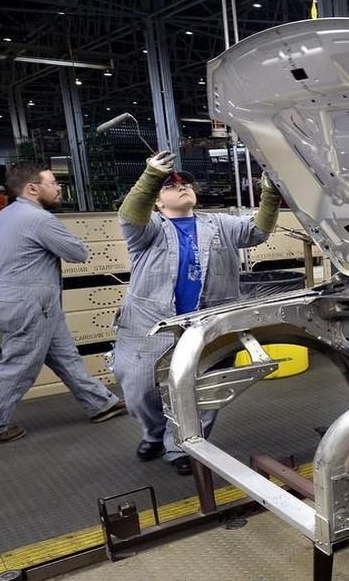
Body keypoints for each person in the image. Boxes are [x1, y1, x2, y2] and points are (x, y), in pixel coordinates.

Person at [112, 151, 281, 475]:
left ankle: (182, 445)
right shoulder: (149, 229)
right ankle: (153, 432)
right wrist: (151, 177)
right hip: (152, 324)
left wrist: (270, 193)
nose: (182, 187)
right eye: (172, 186)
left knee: (203, 388)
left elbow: (257, 231)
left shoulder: (218, 223)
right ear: (158, 202)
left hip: (209, 322)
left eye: (186, 183)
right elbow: (130, 215)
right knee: (139, 388)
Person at [0, 162, 127, 446]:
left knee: (66, 358)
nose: (59, 187)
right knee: (19, 365)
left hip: (23, 302)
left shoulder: (7, 214)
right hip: (31, 305)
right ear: (33, 188)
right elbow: (78, 253)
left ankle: (101, 403)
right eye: (53, 183)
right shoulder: (39, 220)